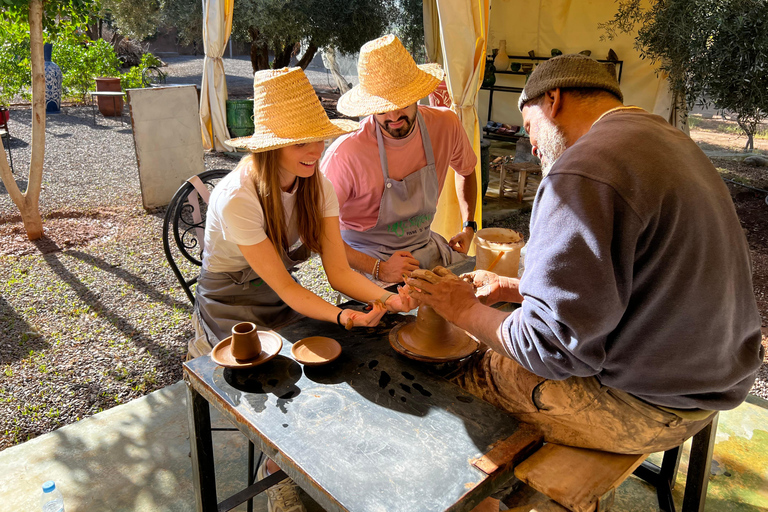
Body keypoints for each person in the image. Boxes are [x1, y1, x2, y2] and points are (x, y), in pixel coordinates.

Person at [407, 54, 764, 456]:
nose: (534, 145)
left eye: (529, 128)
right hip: (709, 381)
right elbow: (631, 281)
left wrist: (462, 311)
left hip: (647, 406)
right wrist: (516, 288)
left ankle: (496, 499)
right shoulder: (667, 139)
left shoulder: (581, 170)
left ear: (553, 100)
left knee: (458, 380)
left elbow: (549, 350)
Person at [191, 67, 416, 512]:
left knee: (338, 371)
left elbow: (337, 273)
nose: (315, 151)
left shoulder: (318, 186)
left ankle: (327, 468)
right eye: (301, 142)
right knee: (280, 396)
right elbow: (291, 290)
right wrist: (345, 315)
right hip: (231, 306)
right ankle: (278, 472)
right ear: (271, 146)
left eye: (319, 138)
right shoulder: (239, 195)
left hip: (278, 297)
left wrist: (390, 299)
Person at [320, 34, 479, 284]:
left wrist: (470, 226)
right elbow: (318, 232)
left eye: (402, 103)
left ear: (417, 94)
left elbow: (467, 169)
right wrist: (379, 269)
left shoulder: (445, 124)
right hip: (368, 259)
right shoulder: (346, 154)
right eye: (382, 107)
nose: (393, 115)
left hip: (424, 245)